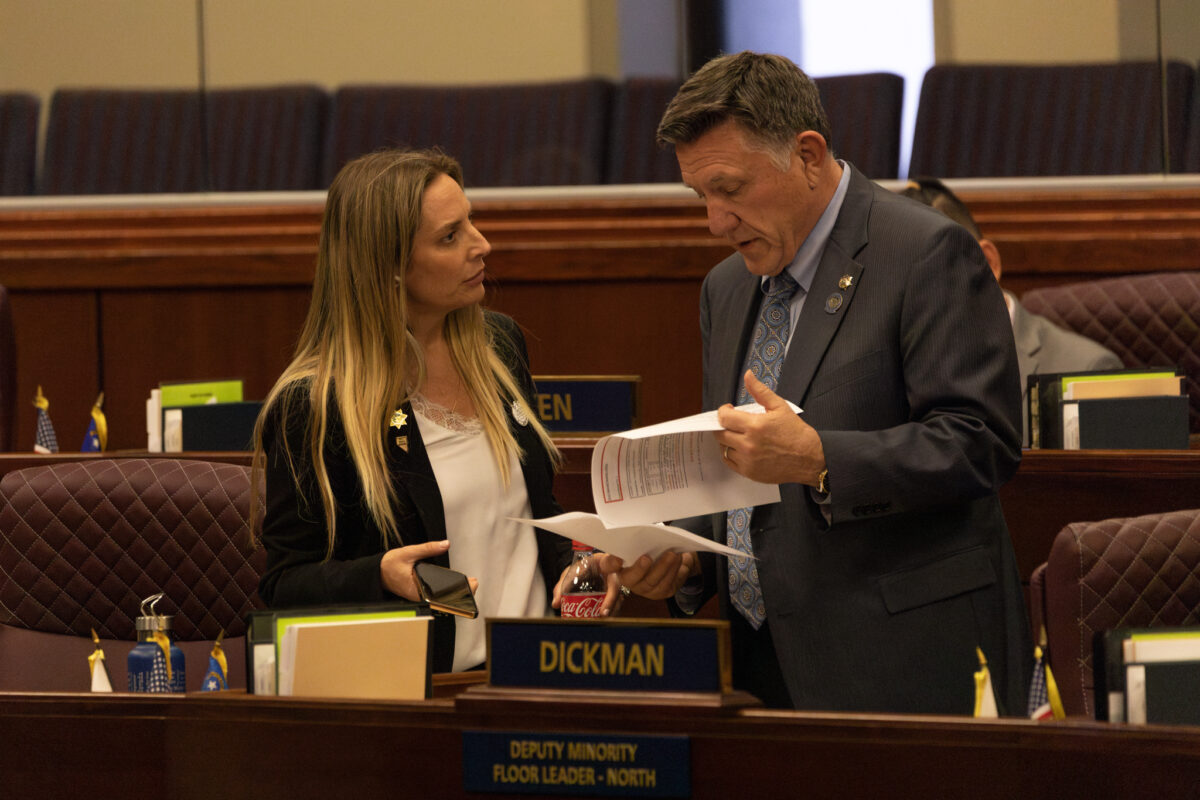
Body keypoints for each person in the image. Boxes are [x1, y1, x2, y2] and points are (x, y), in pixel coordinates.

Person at [609, 51, 1031, 715]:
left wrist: (821, 459)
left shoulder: (924, 253)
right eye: (701, 196)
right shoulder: (727, 287)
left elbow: (982, 442)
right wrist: (685, 555)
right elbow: (740, 465)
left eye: (731, 189)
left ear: (808, 154)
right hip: (759, 662)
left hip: (900, 663)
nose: (715, 221)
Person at [253, 149, 610, 674]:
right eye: (450, 236)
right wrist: (380, 573)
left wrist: (580, 567)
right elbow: (285, 583)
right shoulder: (317, 405)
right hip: (428, 690)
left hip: (539, 669)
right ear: (389, 266)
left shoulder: (498, 346)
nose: (481, 245)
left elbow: (527, 514)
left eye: (472, 222)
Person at [900, 177, 1123, 446]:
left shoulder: (1086, 371)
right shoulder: (884, 370)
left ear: (988, 263)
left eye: (932, 273)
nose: (915, 296)